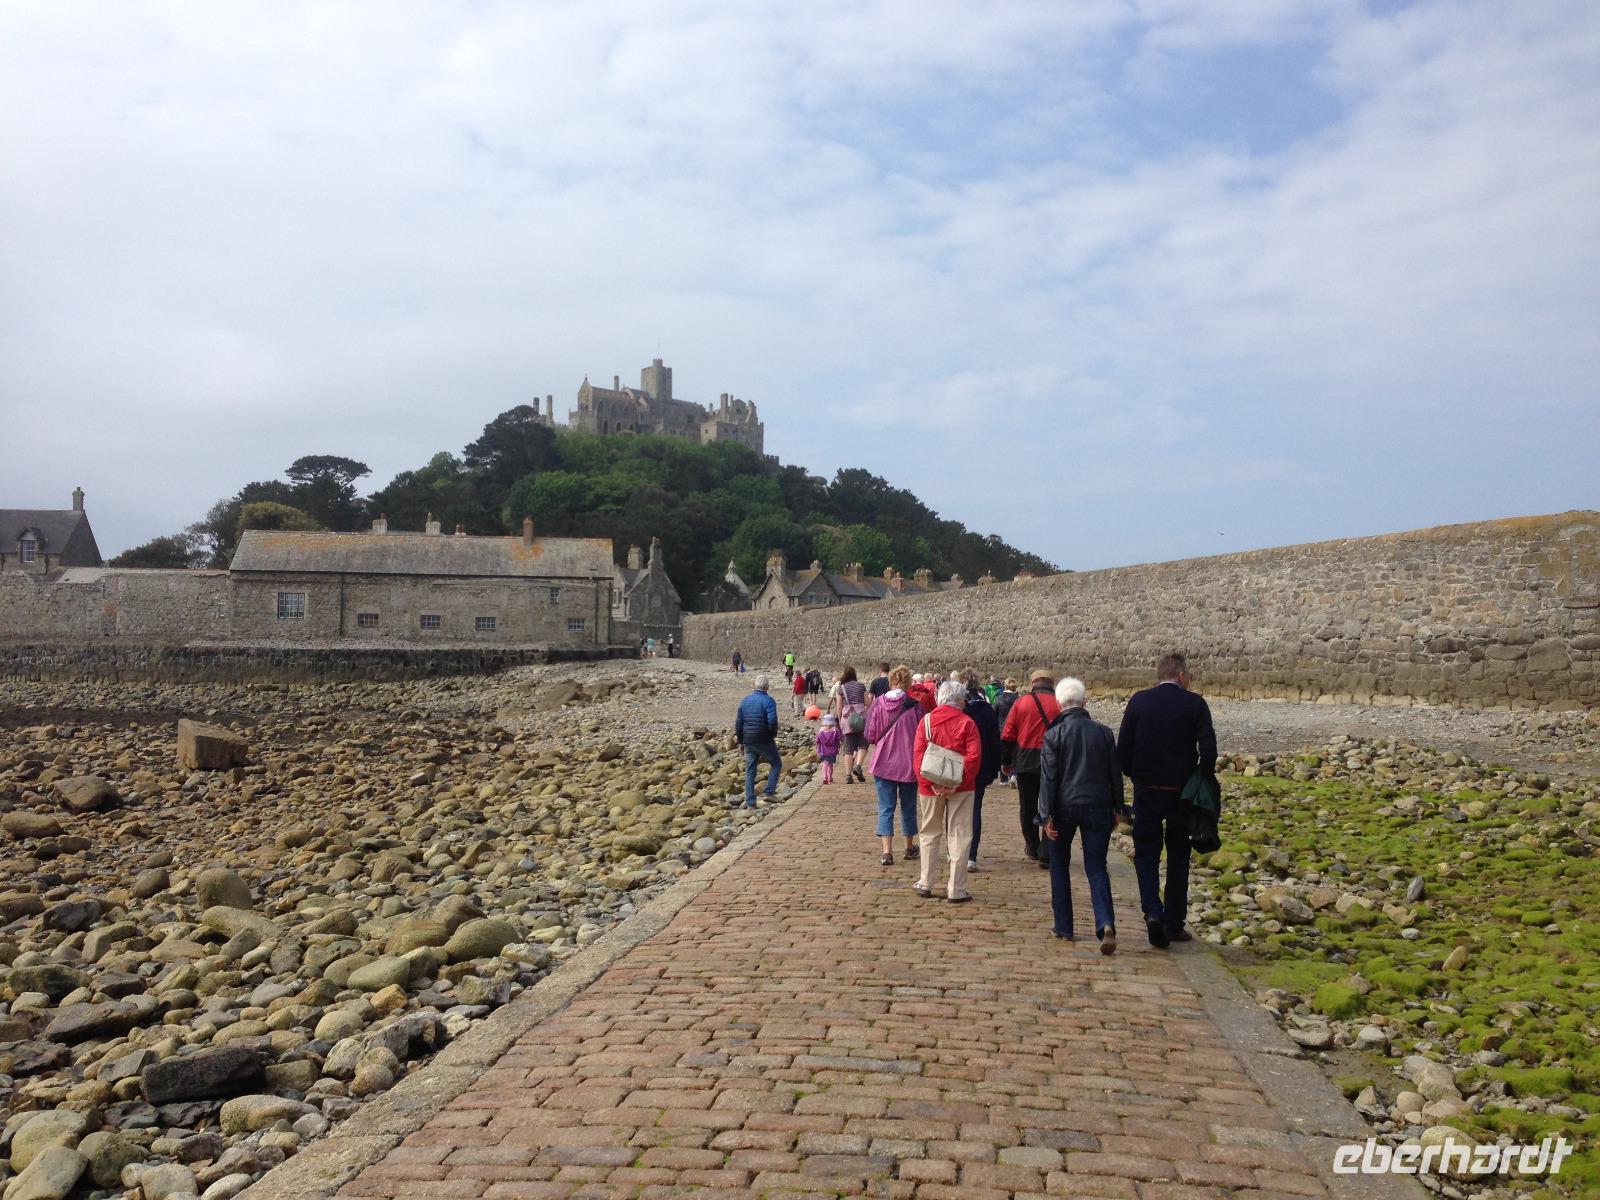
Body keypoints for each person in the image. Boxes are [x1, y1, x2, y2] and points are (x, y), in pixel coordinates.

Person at [1117, 653, 1217, 948]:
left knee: (1146, 853)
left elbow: (1123, 748)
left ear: (1159, 675)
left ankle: (1152, 911)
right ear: (1182, 676)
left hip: (1147, 788)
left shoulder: (1139, 701)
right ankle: (1173, 923)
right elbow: (1209, 750)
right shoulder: (1195, 703)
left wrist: (1134, 774)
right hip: (1181, 793)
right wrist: (1200, 778)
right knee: (1178, 856)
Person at [1041, 677, 1124, 953]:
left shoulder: (1053, 735)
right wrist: (1118, 808)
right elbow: (1114, 774)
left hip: (1063, 807)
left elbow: (1049, 778)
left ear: (1058, 704)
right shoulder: (1103, 733)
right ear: (1084, 702)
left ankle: (1064, 926)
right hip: (1098, 805)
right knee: (1097, 867)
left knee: (1059, 864)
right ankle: (1106, 923)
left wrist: (1046, 815)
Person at [912, 679, 982, 902]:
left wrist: (930, 781)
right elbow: (974, 757)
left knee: (929, 832)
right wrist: (956, 782)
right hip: (962, 786)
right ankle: (956, 888)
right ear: (959, 700)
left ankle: (926, 882)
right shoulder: (967, 723)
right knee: (960, 835)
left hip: (929, 785)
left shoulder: (926, 721)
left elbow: (918, 756)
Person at [1000, 669, 1060, 867]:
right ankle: (1047, 849)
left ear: (1033, 683)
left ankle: (1032, 846)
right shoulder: (1059, 702)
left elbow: (1008, 734)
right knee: (1052, 805)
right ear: (1051, 683)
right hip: (1054, 760)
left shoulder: (1022, 702)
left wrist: (1006, 761)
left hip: (1026, 760)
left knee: (1028, 805)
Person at [864, 665, 921, 865]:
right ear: (908, 684)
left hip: (883, 761)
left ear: (891, 682)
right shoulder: (915, 706)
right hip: (908, 762)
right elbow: (921, 734)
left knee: (885, 807)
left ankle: (887, 852)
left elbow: (870, 734)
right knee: (909, 806)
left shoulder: (878, 703)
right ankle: (909, 846)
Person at [961, 670, 1001, 873]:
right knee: (975, 810)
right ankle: (971, 856)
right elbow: (995, 742)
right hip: (981, 766)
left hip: (958, 767)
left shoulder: (960, 710)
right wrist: (995, 769)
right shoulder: (988, 710)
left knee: (955, 810)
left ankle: (955, 851)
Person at [734, 674, 781, 808]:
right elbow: (772, 721)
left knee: (750, 770)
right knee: (776, 763)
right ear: (767, 687)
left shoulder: (745, 701)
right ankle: (769, 792)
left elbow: (739, 723)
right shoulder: (769, 701)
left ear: (754, 686)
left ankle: (750, 802)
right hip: (763, 738)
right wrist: (772, 735)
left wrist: (741, 741)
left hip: (748, 739)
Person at [831, 666, 871, 784]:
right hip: (861, 717)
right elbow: (867, 702)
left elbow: (839, 706)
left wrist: (840, 720)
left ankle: (848, 776)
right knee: (863, 743)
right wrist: (862, 709)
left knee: (848, 747)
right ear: (854, 675)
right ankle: (858, 766)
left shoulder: (841, 688)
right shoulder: (861, 686)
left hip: (847, 718)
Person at [815, 713, 842, 783]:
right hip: (833, 751)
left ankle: (825, 777)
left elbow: (817, 741)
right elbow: (840, 738)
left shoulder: (821, 731)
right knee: (830, 765)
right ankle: (830, 777)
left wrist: (818, 749)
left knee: (825, 764)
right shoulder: (836, 731)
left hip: (823, 751)